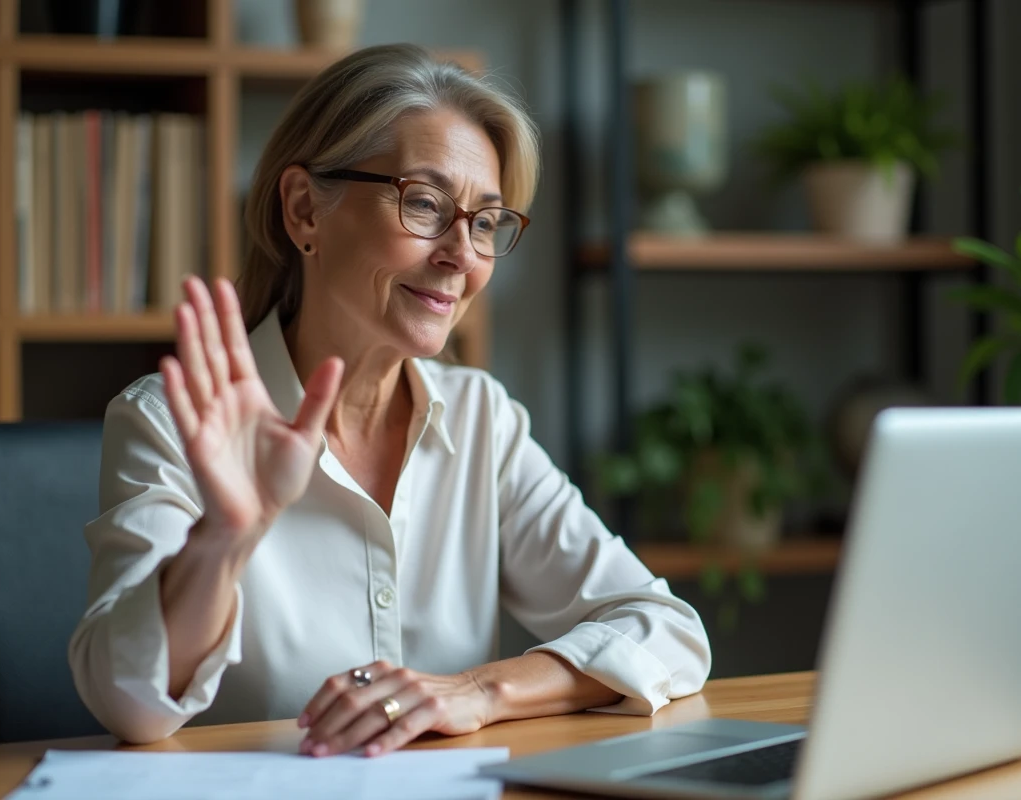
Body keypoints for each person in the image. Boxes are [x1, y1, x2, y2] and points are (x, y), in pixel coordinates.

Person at [68, 42, 711, 758]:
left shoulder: (480, 418)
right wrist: (222, 537)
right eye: (425, 204)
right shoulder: (169, 419)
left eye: (486, 222)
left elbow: (666, 628)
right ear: (305, 209)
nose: (462, 256)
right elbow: (126, 702)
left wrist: (478, 691)